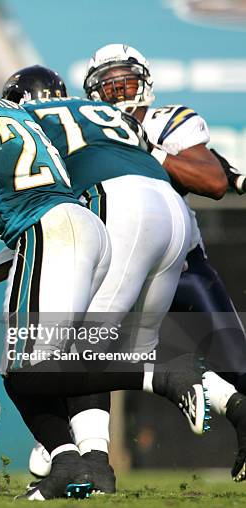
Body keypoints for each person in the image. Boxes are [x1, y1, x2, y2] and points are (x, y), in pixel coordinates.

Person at [0, 33, 210, 500]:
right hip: (83, 225)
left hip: (48, 230)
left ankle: (160, 374)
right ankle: (66, 462)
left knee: (28, 365)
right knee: (25, 365)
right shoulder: (6, 109)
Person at [78, 43, 246, 484]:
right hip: (112, 261)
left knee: (237, 364)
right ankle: (87, 456)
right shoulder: (83, 130)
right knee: (89, 353)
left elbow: (211, 182)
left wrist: (145, 150)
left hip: (183, 265)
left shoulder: (165, 121)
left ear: (145, 84)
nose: (117, 94)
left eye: (125, 83)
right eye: (107, 86)